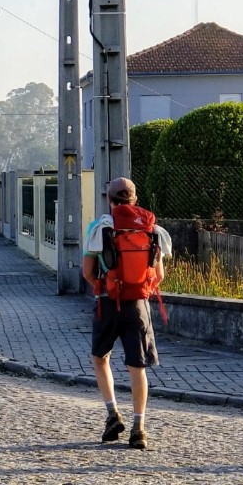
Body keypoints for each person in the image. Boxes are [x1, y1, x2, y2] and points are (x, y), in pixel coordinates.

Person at [82, 177, 172, 450]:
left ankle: (112, 414)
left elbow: (87, 272)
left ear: (110, 200)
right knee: (138, 367)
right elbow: (159, 276)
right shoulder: (152, 229)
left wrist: (104, 286)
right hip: (139, 307)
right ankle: (139, 428)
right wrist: (139, 289)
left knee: (100, 358)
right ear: (134, 198)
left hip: (108, 303)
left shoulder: (100, 227)